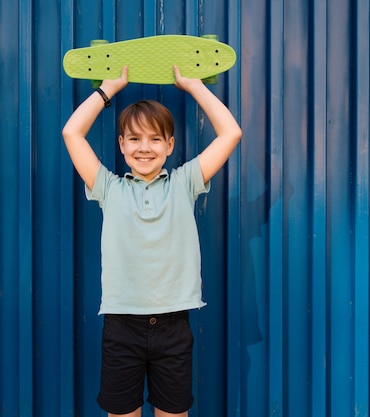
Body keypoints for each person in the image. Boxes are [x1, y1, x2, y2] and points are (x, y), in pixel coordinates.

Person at [62, 65, 242, 417]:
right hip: (121, 326)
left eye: (155, 138)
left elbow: (230, 133)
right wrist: (107, 89)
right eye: (134, 138)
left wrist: (193, 86)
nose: (144, 148)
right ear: (121, 145)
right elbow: (72, 132)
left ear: (170, 145)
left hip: (173, 326)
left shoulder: (184, 182)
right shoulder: (109, 187)